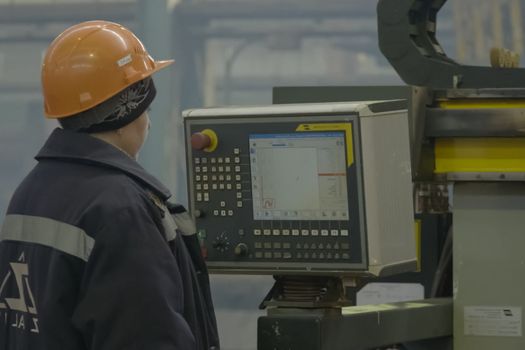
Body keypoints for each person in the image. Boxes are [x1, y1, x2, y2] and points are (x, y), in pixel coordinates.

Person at [0, 20, 219, 350]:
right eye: (147, 109)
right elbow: (148, 337)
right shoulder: (120, 210)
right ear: (127, 114)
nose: (148, 121)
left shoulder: (28, 193)